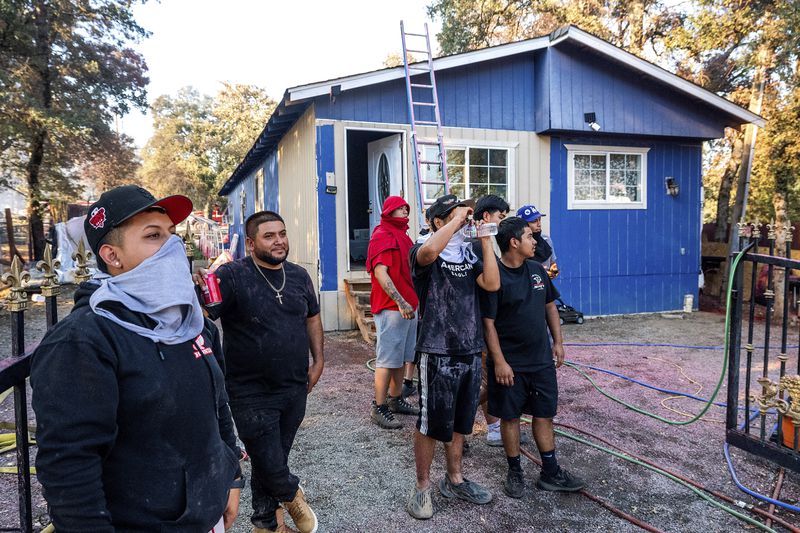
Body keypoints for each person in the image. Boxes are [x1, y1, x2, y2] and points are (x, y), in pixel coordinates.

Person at [31, 185, 242, 532]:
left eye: (172, 234)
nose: (173, 245)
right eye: (153, 235)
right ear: (113, 256)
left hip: (206, 516)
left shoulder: (191, 322)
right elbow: (69, 464)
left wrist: (230, 477)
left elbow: (216, 405)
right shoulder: (83, 340)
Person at [197, 210, 323, 533]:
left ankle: (267, 524)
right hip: (249, 392)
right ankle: (291, 494)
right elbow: (204, 313)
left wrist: (319, 360)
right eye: (269, 236)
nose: (279, 240)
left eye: (282, 233)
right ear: (251, 243)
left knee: (273, 457)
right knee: (268, 458)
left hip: (294, 387)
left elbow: (312, 317)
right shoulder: (233, 276)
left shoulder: (299, 276)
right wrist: (200, 291)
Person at [406, 194, 500, 520]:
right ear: (437, 222)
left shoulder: (466, 252)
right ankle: (422, 487)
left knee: (461, 421)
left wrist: (486, 237)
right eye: (452, 214)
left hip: (470, 348)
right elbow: (430, 252)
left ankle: (455, 478)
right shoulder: (422, 249)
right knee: (432, 423)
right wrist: (458, 219)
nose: (462, 219)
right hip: (436, 349)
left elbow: (491, 281)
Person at [482, 217, 585, 499]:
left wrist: (559, 342)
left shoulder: (537, 270)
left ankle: (550, 472)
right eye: (529, 236)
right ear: (514, 242)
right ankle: (514, 471)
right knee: (510, 416)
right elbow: (488, 324)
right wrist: (499, 361)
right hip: (509, 365)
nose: (535, 241)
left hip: (540, 360)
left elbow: (550, 306)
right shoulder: (494, 277)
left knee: (544, 414)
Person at [366, 196, 420, 429]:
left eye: (405, 209)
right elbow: (381, 273)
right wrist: (400, 301)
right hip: (392, 307)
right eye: (399, 209)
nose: (404, 212)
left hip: (409, 306)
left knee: (402, 357)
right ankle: (379, 407)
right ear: (388, 212)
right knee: (387, 358)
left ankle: (396, 399)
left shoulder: (404, 236)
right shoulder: (383, 235)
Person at [517, 204, 559, 279]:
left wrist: (552, 273)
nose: (539, 224)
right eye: (534, 221)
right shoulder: (517, 243)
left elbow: (553, 265)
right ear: (523, 224)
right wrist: (539, 272)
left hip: (544, 287)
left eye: (539, 219)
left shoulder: (546, 240)